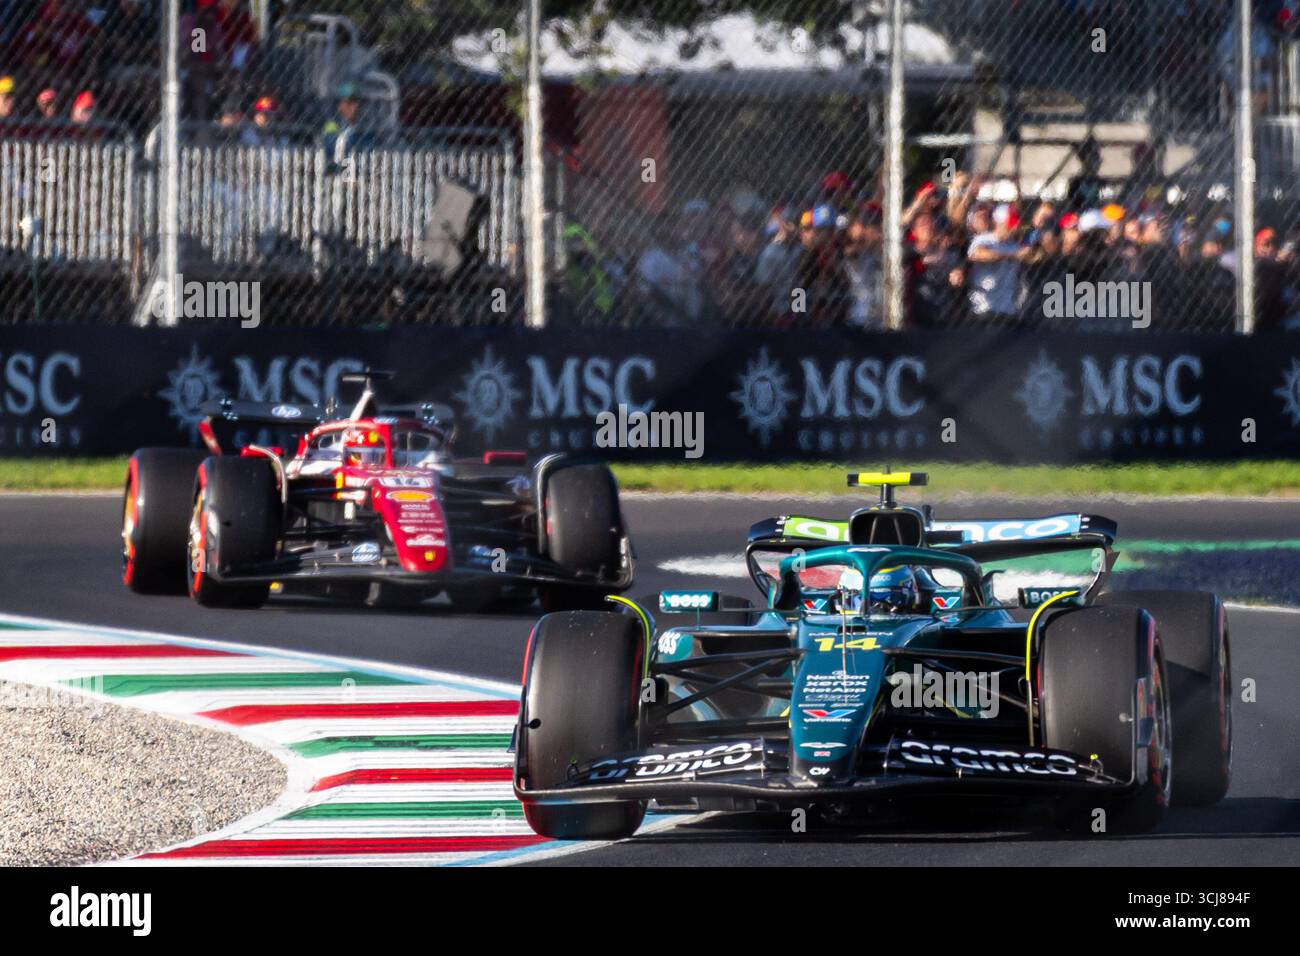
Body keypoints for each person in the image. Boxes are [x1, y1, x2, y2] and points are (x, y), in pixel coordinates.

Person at [966, 203, 1029, 321]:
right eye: (1010, 224)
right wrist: (1011, 255)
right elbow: (977, 254)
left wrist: (1030, 253)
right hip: (983, 309)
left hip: (1008, 310)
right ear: (998, 222)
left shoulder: (1015, 245)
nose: (1014, 228)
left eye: (1015, 224)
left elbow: (1034, 255)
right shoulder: (983, 239)